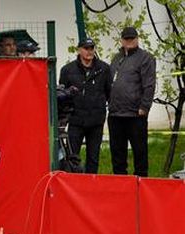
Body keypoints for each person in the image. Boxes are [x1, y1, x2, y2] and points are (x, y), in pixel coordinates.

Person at [108, 27, 156, 177]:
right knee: (117, 154)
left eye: (132, 38)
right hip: (115, 114)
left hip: (135, 114)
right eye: (126, 39)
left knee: (139, 152)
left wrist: (144, 107)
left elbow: (149, 84)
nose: (129, 41)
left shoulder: (146, 58)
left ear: (137, 39)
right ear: (121, 40)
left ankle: (141, 184)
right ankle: (120, 184)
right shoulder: (116, 58)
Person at [59, 38, 111, 174]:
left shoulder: (103, 69)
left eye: (91, 48)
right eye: (86, 48)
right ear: (79, 50)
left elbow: (109, 92)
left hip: (96, 121)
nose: (89, 52)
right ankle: (72, 185)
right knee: (72, 156)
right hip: (76, 120)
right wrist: (64, 119)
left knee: (93, 157)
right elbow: (62, 95)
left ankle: (91, 186)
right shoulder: (67, 70)